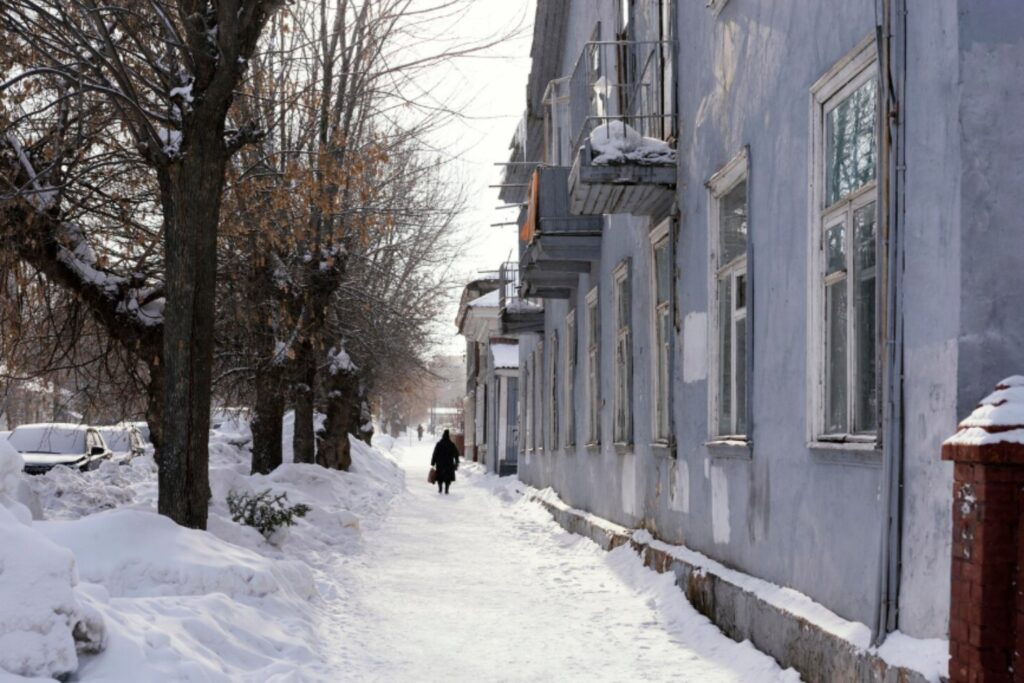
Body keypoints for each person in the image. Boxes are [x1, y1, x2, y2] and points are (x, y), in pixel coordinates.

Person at [430, 429, 459, 495]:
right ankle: (446, 489)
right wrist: (456, 461)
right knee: (448, 478)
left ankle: (440, 488)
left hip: (440, 464)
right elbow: (456, 453)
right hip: (449, 464)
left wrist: (433, 462)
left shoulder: (439, 444)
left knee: (440, 477)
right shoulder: (451, 444)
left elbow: (435, 453)